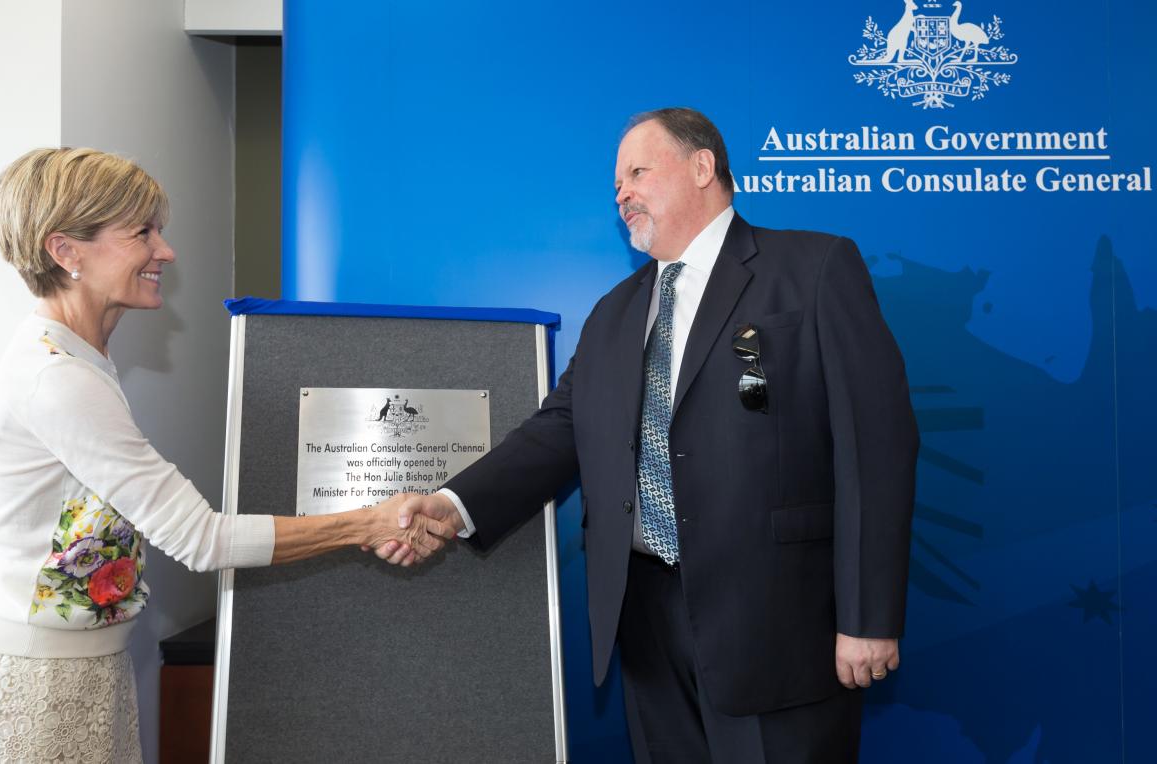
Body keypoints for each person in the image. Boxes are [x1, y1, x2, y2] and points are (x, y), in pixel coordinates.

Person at [394, 108, 919, 762]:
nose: (621, 193)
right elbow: (560, 429)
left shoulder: (813, 269)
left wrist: (867, 618)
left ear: (702, 167)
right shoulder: (616, 312)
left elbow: (877, 446)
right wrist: (452, 505)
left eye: (638, 172)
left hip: (778, 624)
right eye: (616, 183)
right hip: (644, 620)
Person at [0, 147, 452, 763]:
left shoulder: (76, 360)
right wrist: (367, 522)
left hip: (86, 670)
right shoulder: (58, 376)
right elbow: (201, 539)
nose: (165, 251)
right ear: (66, 251)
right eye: (142, 232)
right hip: (47, 690)